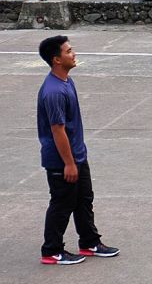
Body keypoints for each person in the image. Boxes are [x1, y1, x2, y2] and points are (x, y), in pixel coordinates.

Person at [37, 35, 120, 265]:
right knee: (62, 203)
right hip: (62, 161)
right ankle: (51, 250)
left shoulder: (66, 81)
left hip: (77, 155)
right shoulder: (53, 91)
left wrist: (78, 157)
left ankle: (90, 242)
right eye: (68, 51)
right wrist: (69, 163)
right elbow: (57, 130)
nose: (74, 54)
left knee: (83, 199)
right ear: (56, 59)